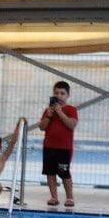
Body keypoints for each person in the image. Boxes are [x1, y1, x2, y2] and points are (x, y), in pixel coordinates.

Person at [38, 80, 78, 208]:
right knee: (50, 173)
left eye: (62, 93)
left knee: (64, 173)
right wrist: (49, 116)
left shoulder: (71, 109)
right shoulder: (48, 111)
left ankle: (69, 197)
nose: (59, 96)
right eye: (56, 93)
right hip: (49, 146)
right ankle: (54, 197)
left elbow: (71, 125)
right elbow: (42, 127)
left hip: (64, 148)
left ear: (67, 95)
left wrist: (60, 112)